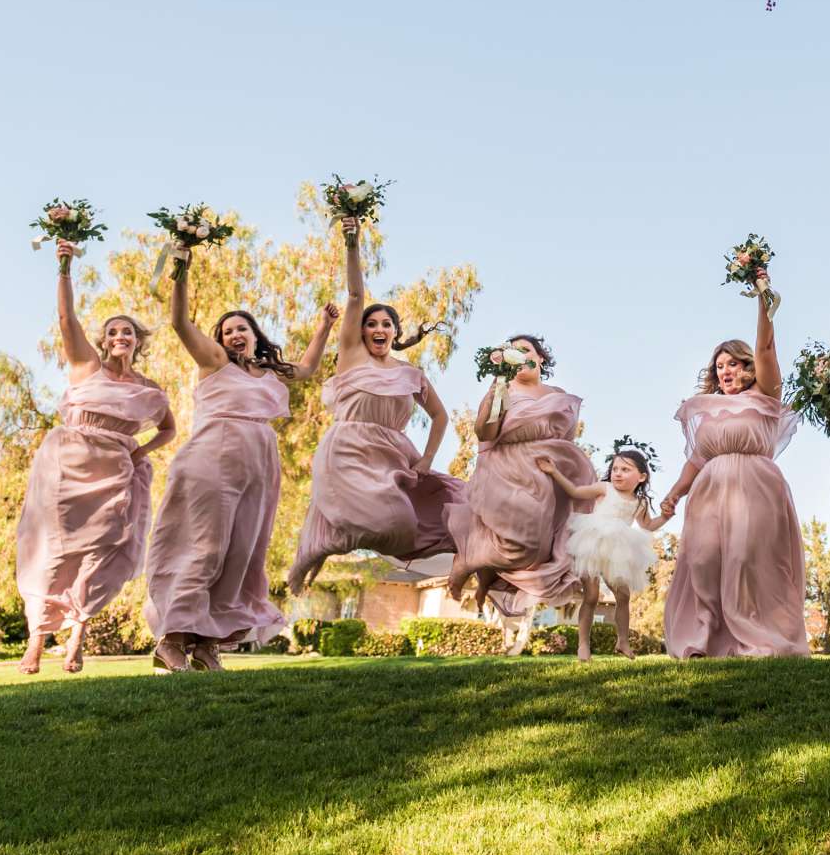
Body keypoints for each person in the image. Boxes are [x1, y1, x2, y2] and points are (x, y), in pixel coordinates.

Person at [144, 250, 336, 671]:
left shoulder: (268, 373)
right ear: (220, 339)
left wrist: (323, 326)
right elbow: (179, 322)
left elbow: (306, 369)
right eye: (227, 330)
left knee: (243, 552)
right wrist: (180, 268)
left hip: (260, 463)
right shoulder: (213, 363)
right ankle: (173, 638)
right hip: (214, 456)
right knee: (206, 547)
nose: (234, 334)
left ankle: (208, 642)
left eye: (241, 328)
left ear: (254, 335)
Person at [17, 246, 175, 674]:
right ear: (104, 340)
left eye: (128, 333)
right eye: (113, 332)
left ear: (138, 342)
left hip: (116, 473)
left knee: (101, 553)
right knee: (53, 552)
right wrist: (65, 267)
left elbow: (168, 430)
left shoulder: (150, 389)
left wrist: (139, 452)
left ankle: (77, 638)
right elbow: (67, 320)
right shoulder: (87, 366)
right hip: (68, 467)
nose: (120, 338)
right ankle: (35, 642)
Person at [286, 214, 458, 592]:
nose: (378, 329)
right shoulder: (351, 356)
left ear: (395, 332)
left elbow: (440, 417)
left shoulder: (411, 374)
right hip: (347, 448)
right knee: (366, 516)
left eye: (386, 324)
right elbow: (354, 295)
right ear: (361, 331)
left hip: (391, 453)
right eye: (371, 324)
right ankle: (321, 543)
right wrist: (352, 238)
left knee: (401, 524)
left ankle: (325, 542)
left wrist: (427, 458)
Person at [659, 270, 811, 658]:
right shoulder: (708, 411)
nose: (726, 371)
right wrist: (676, 492)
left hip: (755, 486)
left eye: (733, 364)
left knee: (747, 558)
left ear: (747, 368)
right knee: (704, 559)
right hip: (710, 490)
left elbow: (767, 349)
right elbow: (698, 457)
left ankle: (758, 636)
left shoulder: (765, 396)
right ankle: (707, 635)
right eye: (720, 365)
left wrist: (764, 300)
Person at [445, 333, 593, 621]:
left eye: (525, 350)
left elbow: (568, 439)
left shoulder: (557, 393)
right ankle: (467, 559)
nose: (519, 355)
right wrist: (498, 384)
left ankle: (486, 577)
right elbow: (485, 433)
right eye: (511, 351)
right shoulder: (504, 388)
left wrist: (567, 477)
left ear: (540, 357)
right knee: (524, 543)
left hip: (549, 474)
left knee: (544, 550)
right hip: (508, 470)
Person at [537, 446, 669, 661]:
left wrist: (666, 516)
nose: (618, 473)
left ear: (641, 476)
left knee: (623, 595)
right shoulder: (605, 488)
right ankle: (583, 645)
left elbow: (648, 525)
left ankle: (622, 641)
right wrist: (553, 471)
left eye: (625, 469)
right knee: (591, 596)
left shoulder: (640, 503)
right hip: (592, 543)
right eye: (615, 468)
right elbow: (574, 492)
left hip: (618, 551)